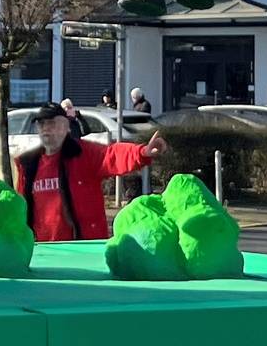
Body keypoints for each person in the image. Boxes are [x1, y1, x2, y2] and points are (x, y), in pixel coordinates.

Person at [17, 101, 167, 242]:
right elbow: (20, 208)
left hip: (83, 246)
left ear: (65, 126)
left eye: (51, 123)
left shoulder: (84, 154)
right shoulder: (28, 164)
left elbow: (112, 155)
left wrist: (142, 152)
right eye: (41, 124)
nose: (45, 128)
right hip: (43, 249)